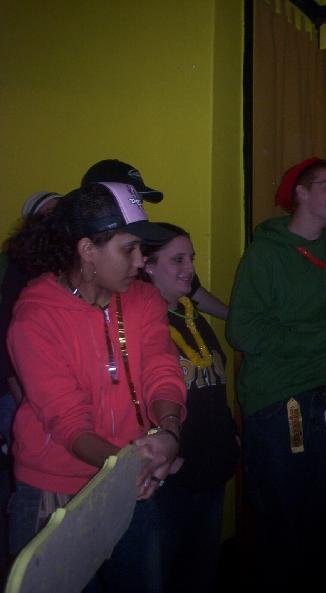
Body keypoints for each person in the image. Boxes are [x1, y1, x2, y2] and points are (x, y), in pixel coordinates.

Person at [5, 182, 186, 593]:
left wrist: (171, 432)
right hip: (57, 493)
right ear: (87, 250)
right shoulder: (36, 316)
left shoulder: (144, 300)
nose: (141, 261)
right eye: (129, 249)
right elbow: (68, 422)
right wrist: (133, 468)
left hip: (133, 487)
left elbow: (162, 370)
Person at [227, 157, 326, 592]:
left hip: (324, 395)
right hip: (277, 400)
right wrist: (319, 338)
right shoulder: (265, 255)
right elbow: (243, 330)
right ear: (301, 194)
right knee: (282, 515)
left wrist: (324, 335)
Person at [141, 222, 239, 593]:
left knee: (202, 576)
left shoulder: (192, 315)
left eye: (191, 259)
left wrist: (230, 437)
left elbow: (213, 386)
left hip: (213, 469)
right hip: (172, 477)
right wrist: (170, 460)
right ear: (148, 266)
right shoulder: (140, 323)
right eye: (178, 260)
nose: (189, 268)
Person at [0, 191, 62, 577]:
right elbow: (8, 331)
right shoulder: (19, 265)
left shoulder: (67, 263)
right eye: (49, 211)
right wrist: (22, 396)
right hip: (18, 388)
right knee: (24, 469)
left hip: (49, 394)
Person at [82, 159, 229, 320]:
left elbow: (190, 288)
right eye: (130, 201)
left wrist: (235, 319)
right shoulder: (73, 263)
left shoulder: (148, 238)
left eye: (139, 203)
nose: (138, 210)